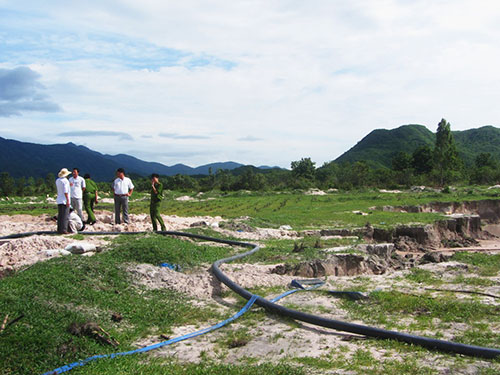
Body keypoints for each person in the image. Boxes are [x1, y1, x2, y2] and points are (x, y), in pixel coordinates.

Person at [55, 168, 71, 234]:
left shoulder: (57, 180)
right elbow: (66, 191)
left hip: (59, 199)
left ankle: (59, 229)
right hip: (64, 200)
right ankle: (64, 229)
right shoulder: (65, 181)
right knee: (65, 216)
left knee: (60, 215)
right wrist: (67, 200)